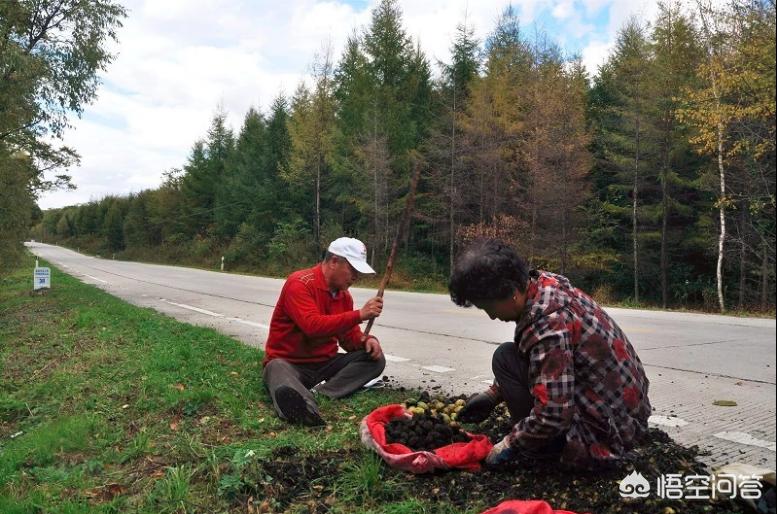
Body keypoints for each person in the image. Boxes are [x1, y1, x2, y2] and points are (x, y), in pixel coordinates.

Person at [448, 239, 651, 468]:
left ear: (512, 293)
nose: (492, 316)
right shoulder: (544, 283)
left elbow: (553, 415)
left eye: (489, 307)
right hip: (627, 416)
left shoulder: (547, 326)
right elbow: (541, 361)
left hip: (607, 435)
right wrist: (494, 394)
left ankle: (546, 452)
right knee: (508, 356)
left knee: (504, 358)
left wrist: (509, 444)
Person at [263, 237, 386, 426]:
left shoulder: (344, 296)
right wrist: (360, 314)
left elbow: (348, 337)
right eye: (352, 269)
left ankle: (322, 393)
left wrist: (366, 341)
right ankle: (303, 407)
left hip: (325, 363)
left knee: (375, 360)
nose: (355, 277)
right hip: (290, 363)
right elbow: (312, 327)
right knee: (275, 368)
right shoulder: (299, 283)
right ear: (334, 261)